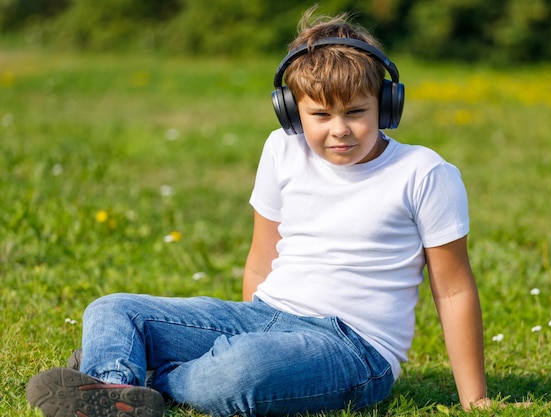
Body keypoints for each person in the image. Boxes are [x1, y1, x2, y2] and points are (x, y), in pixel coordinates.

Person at [26, 7, 489, 417]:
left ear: (387, 105)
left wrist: (476, 400)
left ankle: (139, 381)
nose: (341, 130)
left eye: (357, 111)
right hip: (267, 316)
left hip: (354, 348)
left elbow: (452, 291)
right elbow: (261, 256)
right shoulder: (281, 149)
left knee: (242, 371)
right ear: (291, 112)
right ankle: (112, 392)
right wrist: (252, 336)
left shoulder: (424, 173)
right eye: (321, 116)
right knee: (113, 309)